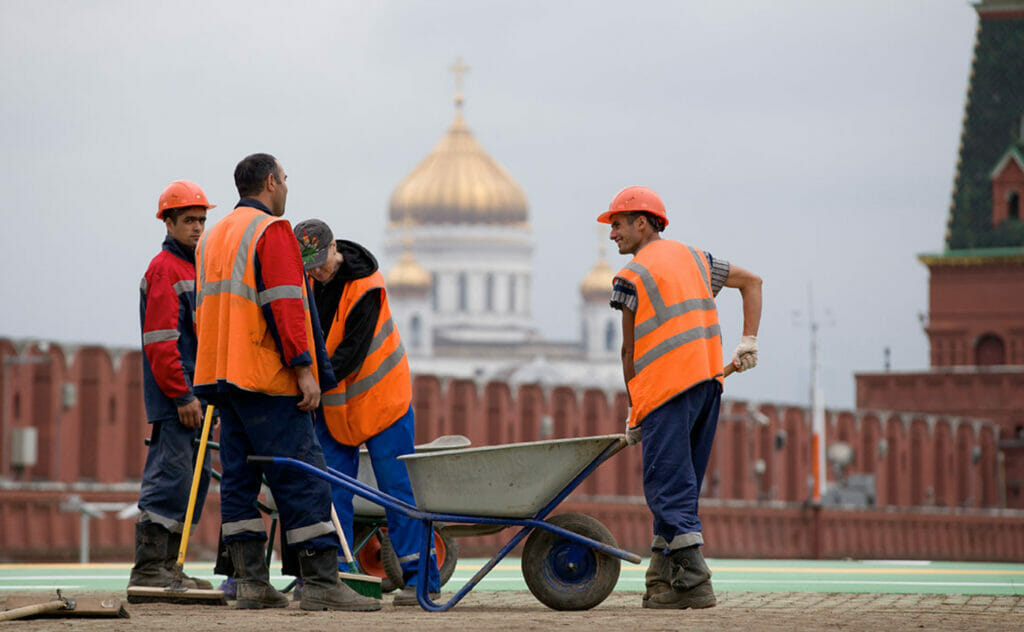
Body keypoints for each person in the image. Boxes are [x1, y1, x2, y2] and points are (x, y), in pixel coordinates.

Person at [193, 153, 379, 612]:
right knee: (302, 476)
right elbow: (285, 305)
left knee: (238, 479)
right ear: (272, 182)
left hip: (221, 376)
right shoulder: (271, 231)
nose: (287, 188)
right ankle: (320, 582)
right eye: (286, 180)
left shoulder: (212, 237)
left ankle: (252, 582)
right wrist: (303, 368)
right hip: (265, 378)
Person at [599, 185, 762, 610]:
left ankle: (695, 579)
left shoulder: (630, 277)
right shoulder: (698, 259)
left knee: (666, 486)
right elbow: (753, 282)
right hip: (708, 386)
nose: (612, 233)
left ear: (642, 222)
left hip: (666, 393)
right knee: (680, 485)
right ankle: (663, 580)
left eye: (617, 224)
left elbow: (629, 351)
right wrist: (749, 341)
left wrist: (635, 410)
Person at [292, 218, 441, 606]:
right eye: (307, 265)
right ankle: (339, 578)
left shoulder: (366, 288)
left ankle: (421, 580)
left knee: (397, 490)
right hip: (337, 405)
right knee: (330, 489)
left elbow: (349, 354)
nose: (316, 271)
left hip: (382, 400)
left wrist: (308, 382)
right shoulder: (307, 284)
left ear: (335, 248)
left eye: (320, 262)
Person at [131, 180, 217, 593]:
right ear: (168, 222)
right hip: (177, 401)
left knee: (192, 481)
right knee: (170, 478)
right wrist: (182, 395)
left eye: (201, 220)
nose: (198, 228)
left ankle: (171, 568)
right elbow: (161, 341)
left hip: (196, 398)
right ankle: (151, 569)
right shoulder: (165, 269)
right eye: (188, 220)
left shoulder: (196, 267)